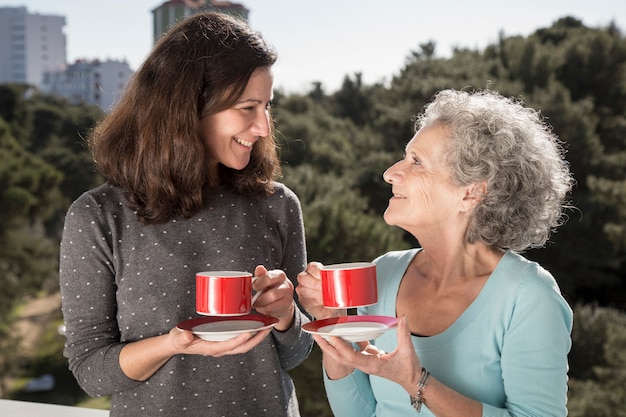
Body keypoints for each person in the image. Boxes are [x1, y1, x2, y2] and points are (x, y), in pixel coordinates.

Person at [59, 12, 313, 417]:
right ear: (188, 108)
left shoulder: (277, 205)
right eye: (248, 108)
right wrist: (174, 343)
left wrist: (286, 317)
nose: (264, 127)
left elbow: (295, 353)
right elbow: (91, 371)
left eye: (267, 106)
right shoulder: (98, 217)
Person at [297, 89, 574, 417]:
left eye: (417, 162)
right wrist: (332, 323)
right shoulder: (382, 274)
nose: (390, 172)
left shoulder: (528, 296)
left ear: (471, 193)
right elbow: (357, 413)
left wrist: (415, 381)